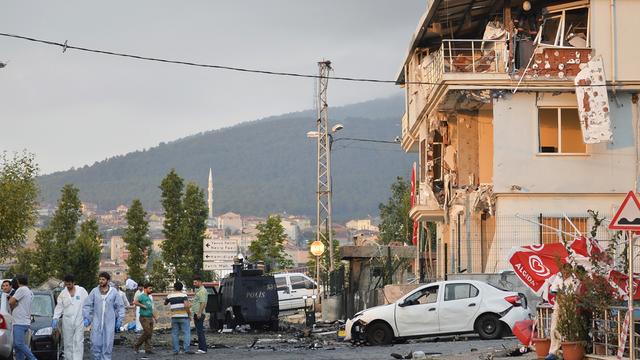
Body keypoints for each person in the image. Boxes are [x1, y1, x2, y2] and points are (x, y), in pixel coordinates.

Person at [83, 272, 125, 360]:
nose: (101, 281)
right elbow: (87, 305)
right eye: (100, 279)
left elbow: (120, 306)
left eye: (103, 279)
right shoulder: (94, 291)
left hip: (109, 323)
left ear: (108, 281)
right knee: (95, 343)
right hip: (96, 323)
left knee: (108, 344)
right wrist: (87, 317)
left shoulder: (113, 292)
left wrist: (119, 320)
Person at [545, 264, 579, 360]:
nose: (565, 274)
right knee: (554, 328)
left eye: (567, 273)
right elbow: (553, 289)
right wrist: (558, 293)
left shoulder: (574, 280)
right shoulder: (558, 277)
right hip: (558, 304)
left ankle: (564, 351)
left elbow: (573, 293)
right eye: (564, 272)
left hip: (568, 306)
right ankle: (553, 352)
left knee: (566, 329)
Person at [52, 274, 89, 360]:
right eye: (66, 284)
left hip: (79, 320)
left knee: (78, 341)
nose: (68, 286)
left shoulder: (81, 291)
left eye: (69, 284)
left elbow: (87, 305)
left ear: (73, 283)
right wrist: (55, 318)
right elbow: (59, 307)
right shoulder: (63, 293)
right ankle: (69, 358)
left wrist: (87, 317)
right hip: (67, 321)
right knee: (68, 342)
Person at [8, 274, 37, 360]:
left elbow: (10, 302)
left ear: (18, 281)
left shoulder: (21, 289)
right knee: (18, 348)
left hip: (19, 321)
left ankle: (33, 358)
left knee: (18, 343)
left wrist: (10, 298)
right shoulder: (29, 291)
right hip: (24, 321)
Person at [165, 281, 193, 354]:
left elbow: (165, 303)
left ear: (174, 288)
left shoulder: (170, 295)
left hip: (174, 317)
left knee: (175, 334)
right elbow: (186, 306)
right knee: (186, 333)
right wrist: (189, 314)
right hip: (184, 316)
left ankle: (175, 350)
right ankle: (186, 349)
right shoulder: (184, 295)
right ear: (182, 288)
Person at [133, 283, 157, 354]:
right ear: (145, 289)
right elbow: (135, 302)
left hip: (150, 317)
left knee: (150, 334)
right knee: (147, 332)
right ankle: (136, 346)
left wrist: (154, 317)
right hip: (144, 317)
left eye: (151, 288)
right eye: (150, 288)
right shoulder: (142, 296)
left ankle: (148, 349)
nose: (151, 290)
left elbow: (150, 308)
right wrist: (142, 305)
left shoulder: (149, 297)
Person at [192, 274, 208, 354]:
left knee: (200, 331)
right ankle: (201, 348)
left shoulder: (202, 291)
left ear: (199, 282)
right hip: (197, 313)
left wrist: (199, 313)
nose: (194, 284)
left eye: (195, 283)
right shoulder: (199, 290)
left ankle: (203, 349)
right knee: (199, 331)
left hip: (199, 314)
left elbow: (203, 303)